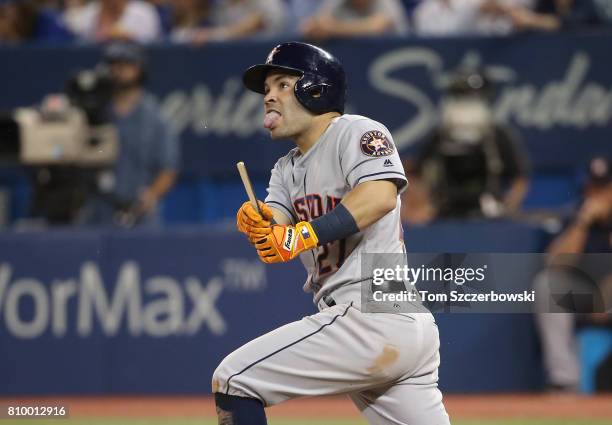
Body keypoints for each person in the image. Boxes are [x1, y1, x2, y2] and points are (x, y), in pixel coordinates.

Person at [212, 42, 450, 425]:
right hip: (388, 323)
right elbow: (279, 231)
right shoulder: (285, 168)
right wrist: (260, 222)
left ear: (315, 89)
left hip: (373, 309)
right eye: (266, 89)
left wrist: (300, 235)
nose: (268, 96)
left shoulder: (354, 131)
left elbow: (379, 197)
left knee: (234, 381)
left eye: (282, 85)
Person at [77, 41, 179, 227]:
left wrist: (151, 195)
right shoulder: (95, 112)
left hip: (138, 213)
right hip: (98, 210)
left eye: (125, 64)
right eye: (113, 64)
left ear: (139, 68)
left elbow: (168, 168)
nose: (118, 70)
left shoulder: (155, 117)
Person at [534, 157, 612, 392]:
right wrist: (583, 222)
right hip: (590, 297)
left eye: (603, 188)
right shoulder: (579, 215)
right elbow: (557, 263)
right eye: (592, 187)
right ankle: (564, 382)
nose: (596, 195)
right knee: (547, 284)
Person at [411, 69, 529, 219]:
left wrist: (507, 209)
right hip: (445, 210)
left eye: (472, 98)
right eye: (461, 97)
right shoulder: (441, 135)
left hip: (488, 210)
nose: (467, 104)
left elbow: (520, 178)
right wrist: (423, 205)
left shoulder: (496, 135)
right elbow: (416, 172)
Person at [301, 0, 409, 40]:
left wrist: (333, 28)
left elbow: (378, 26)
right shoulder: (337, 3)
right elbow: (311, 27)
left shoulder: (387, 2)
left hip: (393, 57)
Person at [64, 0, 162, 43]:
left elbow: (153, 46)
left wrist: (129, 39)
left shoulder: (144, 12)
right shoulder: (86, 15)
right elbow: (80, 48)